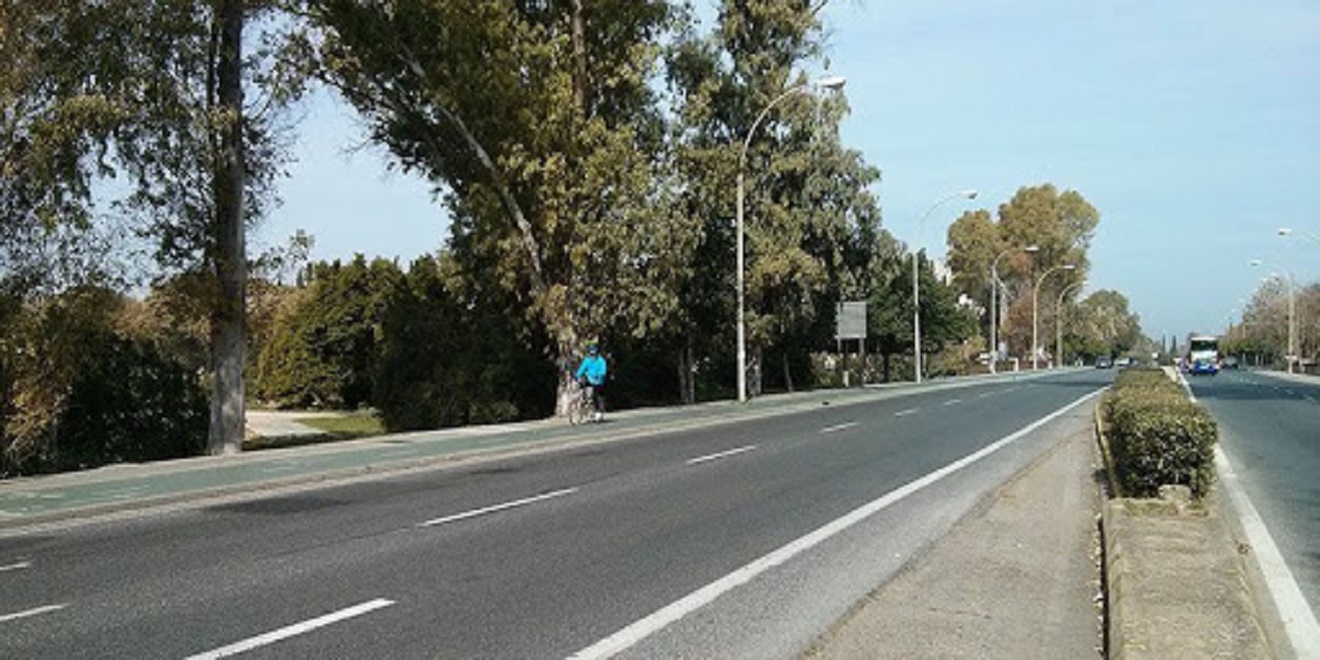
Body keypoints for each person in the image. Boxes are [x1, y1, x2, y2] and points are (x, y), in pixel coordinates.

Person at [574, 343, 608, 422]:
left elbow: (603, 371)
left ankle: (598, 412)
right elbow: (582, 369)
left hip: (598, 381)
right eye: (591, 353)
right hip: (589, 379)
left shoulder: (601, 360)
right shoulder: (587, 360)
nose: (592, 356)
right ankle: (583, 403)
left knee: (597, 396)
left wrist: (599, 375)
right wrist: (577, 376)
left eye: (594, 353)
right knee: (583, 388)